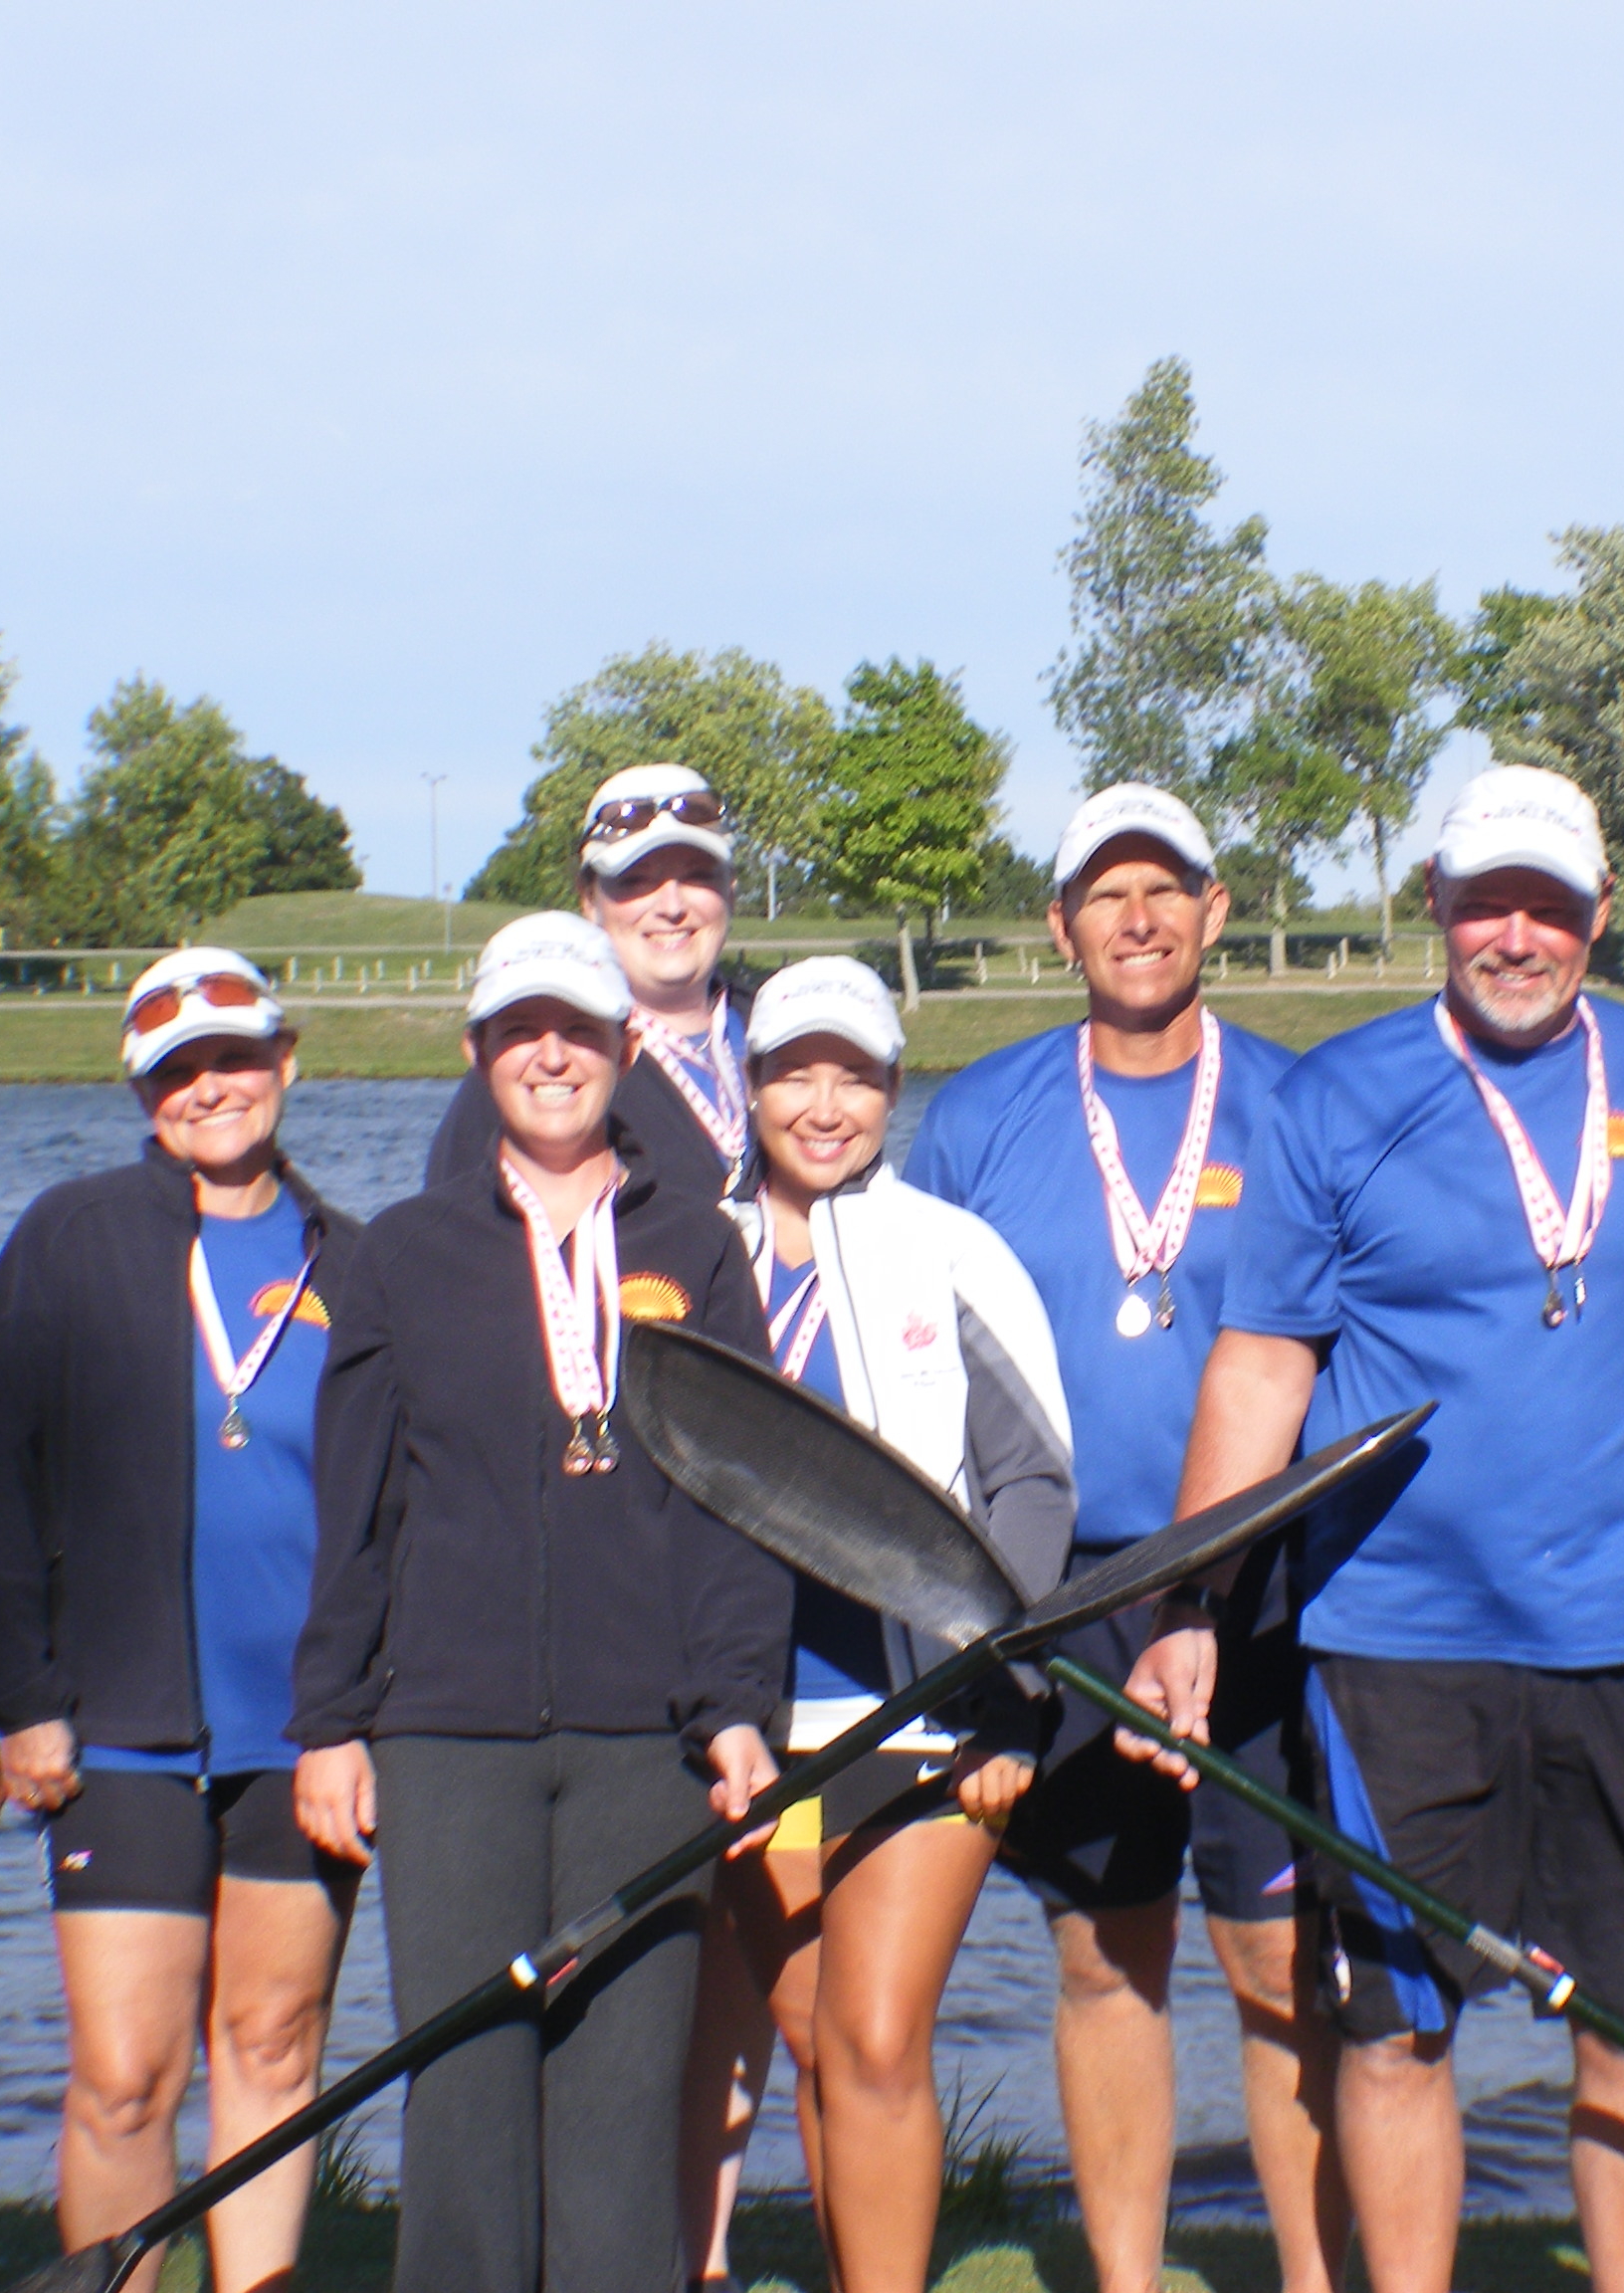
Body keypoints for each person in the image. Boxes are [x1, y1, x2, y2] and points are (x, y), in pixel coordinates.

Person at [1126, 765, 1624, 2293]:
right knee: (1396, 2026)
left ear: (1603, 915)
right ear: (1437, 909)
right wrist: (1189, 1605)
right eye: (1488, 904)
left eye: (1550, 905)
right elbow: (1263, 1363)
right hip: (1396, 1643)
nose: (1519, 936)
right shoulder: (1338, 1096)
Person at [292, 911, 790, 2293]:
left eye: (580, 1029)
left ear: (629, 1048)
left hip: (651, 1743)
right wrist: (331, 1723)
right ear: (479, 1057)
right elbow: (359, 1513)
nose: (554, 1056)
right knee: (464, 2099)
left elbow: (740, 1503)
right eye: (523, 1033)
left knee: (627, 2114)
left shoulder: (698, 1245)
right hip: (447, 1742)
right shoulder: (397, 1253)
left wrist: (744, 1707)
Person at [901, 784, 1339, 2293]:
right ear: (1061, 925)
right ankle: (1131, 2278)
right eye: (1106, 894)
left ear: (1217, 912)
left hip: (1252, 1576)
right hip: (1064, 1588)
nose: (1138, 919)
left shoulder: (1302, 1105)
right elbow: (922, 1367)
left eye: (1167, 891)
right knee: (1107, 1953)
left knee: (1278, 1965)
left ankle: (1313, 2274)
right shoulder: (977, 1118)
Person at [0, 950, 366, 2293]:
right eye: (178, 1071)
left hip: (301, 1735)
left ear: (286, 1063)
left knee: (274, 2043)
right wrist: (16, 1695)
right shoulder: (72, 1235)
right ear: (142, 1091)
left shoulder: (352, 1263)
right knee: (127, 2077)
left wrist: (361, 1712)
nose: (212, 1088)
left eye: (236, 1057)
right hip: (117, 1730)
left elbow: (390, 1513)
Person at [680, 955, 1072, 2293]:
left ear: (895, 1088)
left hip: (923, 1723)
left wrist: (997, 1691)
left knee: (877, 2036)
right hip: (759, 1730)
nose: (825, 1101)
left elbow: (1033, 1483)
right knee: (815, 2047)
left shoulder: (952, 1251)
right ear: (750, 1084)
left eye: (854, 1073)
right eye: (796, 1071)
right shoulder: (694, 1254)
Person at [428, 763, 751, 1201]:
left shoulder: (784, 1031)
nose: (671, 906)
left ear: (730, 890)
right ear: (588, 899)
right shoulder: (535, 1068)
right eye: (637, 881)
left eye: (696, 877)